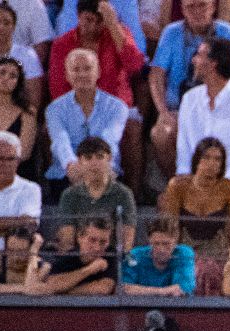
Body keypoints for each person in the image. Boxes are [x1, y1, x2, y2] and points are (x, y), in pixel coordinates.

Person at [48, 0, 145, 192]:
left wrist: (113, 24)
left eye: (98, 22)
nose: (92, 26)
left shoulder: (117, 33)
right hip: (74, 106)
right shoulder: (62, 43)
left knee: (133, 127)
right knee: (48, 129)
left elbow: (135, 66)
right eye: (88, 20)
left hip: (115, 107)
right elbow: (57, 87)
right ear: (78, 17)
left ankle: (133, 194)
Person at [149, 0, 230, 180]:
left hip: (217, 107)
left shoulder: (226, 32)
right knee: (161, 133)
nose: (196, 11)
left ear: (213, 7)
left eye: (202, 5)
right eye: (190, 7)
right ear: (183, 10)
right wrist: (163, 111)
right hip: (177, 108)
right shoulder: (171, 32)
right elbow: (156, 75)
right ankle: (179, 186)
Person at [157, 136, 230, 293]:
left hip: (218, 250)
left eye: (218, 159)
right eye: (206, 157)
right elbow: (170, 227)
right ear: (197, 159)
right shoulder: (178, 186)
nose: (212, 164)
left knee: (209, 269)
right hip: (184, 248)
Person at [176, 37, 230, 194]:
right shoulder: (189, 99)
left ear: (213, 64)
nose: (194, 60)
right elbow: (184, 150)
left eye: (199, 55)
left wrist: (214, 188)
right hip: (194, 183)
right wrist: (189, 183)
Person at [43, 48, 128, 200]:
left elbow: (110, 139)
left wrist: (94, 166)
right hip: (68, 172)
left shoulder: (117, 107)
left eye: (88, 69)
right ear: (67, 76)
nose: (82, 74)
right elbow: (60, 141)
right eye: (76, 69)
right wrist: (71, 165)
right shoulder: (54, 109)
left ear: (98, 72)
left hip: (104, 168)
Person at [55, 136, 136, 252]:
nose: (94, 163)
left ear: (109, 159)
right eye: (88, 158)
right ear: (79, 161)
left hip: (112, 258)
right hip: (79, 258)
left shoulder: (123, 194)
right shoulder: (69, 195)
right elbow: (67, 240)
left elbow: (126, 241)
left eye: (100, 157)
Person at [28, 216, 118, 294]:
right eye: (92, 240)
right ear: (80, 237)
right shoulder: (70, 256)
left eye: (103, 242)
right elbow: (52, 284)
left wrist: (64, 290)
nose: (97, 248)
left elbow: (103, 288)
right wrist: (90, 269)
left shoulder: (110, 255)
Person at [123, 215, 196, 296]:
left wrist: (142, 290)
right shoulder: (134, 255)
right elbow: (125, 288)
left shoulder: (184, 253)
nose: (161, 249)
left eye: (166, 244)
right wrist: (162, 291)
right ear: (149, 240)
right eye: (156, 243)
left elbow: (182, 289)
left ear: (175, 241)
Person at [0, 224, 41, 292]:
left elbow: (32, 289)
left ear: (31, 249)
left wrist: (33, 255)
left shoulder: (43, 266)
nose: (15, 257)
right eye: (11, 251)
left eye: (21, 252)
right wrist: (23, 288)